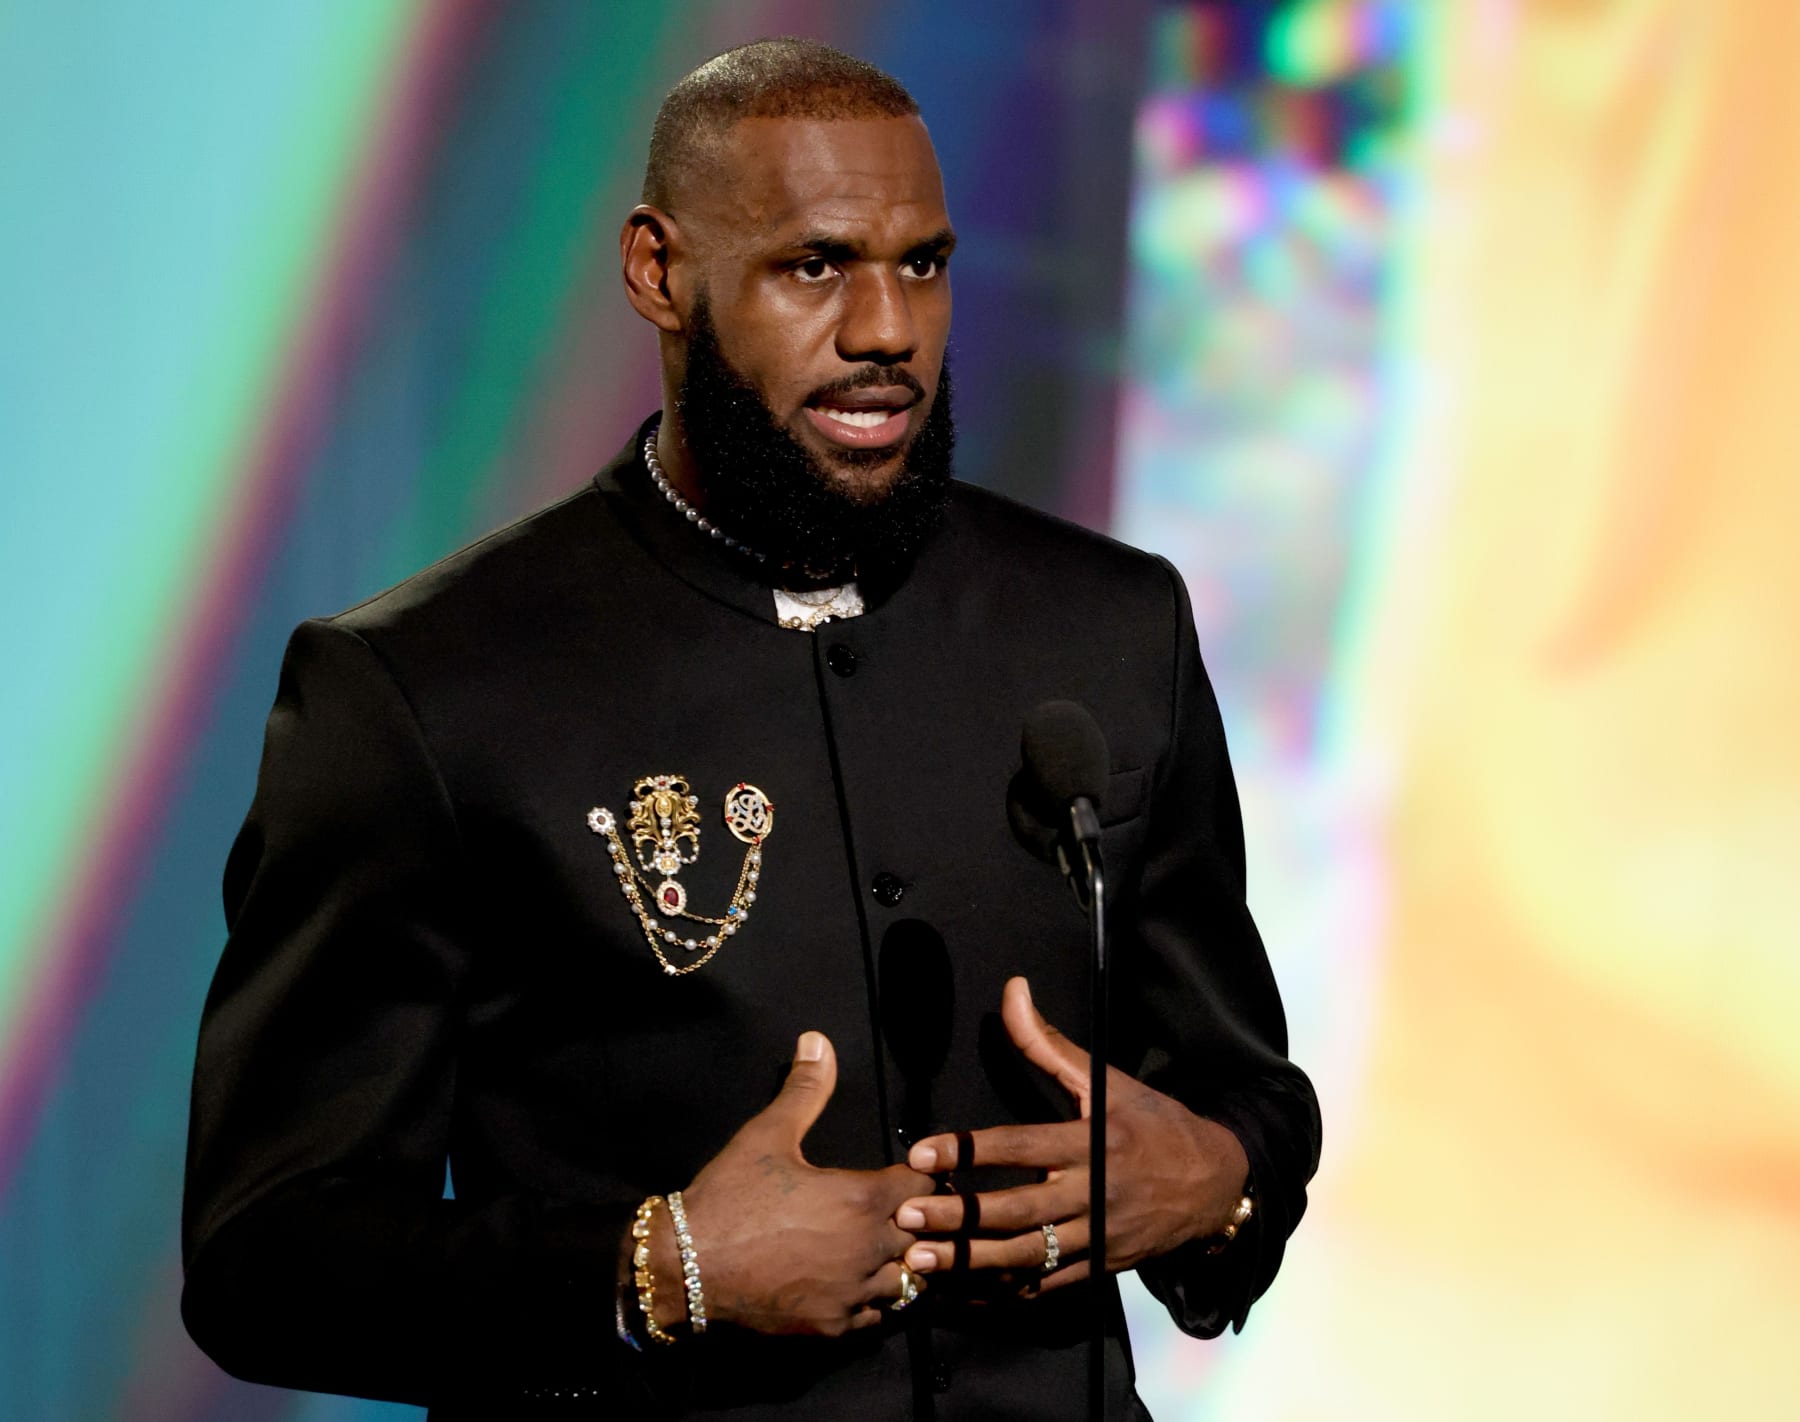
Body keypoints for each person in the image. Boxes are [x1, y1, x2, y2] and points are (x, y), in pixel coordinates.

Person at [182, 37, 1321, 1421]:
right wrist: (658, 1270)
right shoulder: (425, 690)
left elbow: (1243, 1093)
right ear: (661, 271)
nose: (887, 330)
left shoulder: (1108, 628)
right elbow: (265, 1255)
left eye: (924, 264)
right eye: (816, 266)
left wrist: (1215, 1179)